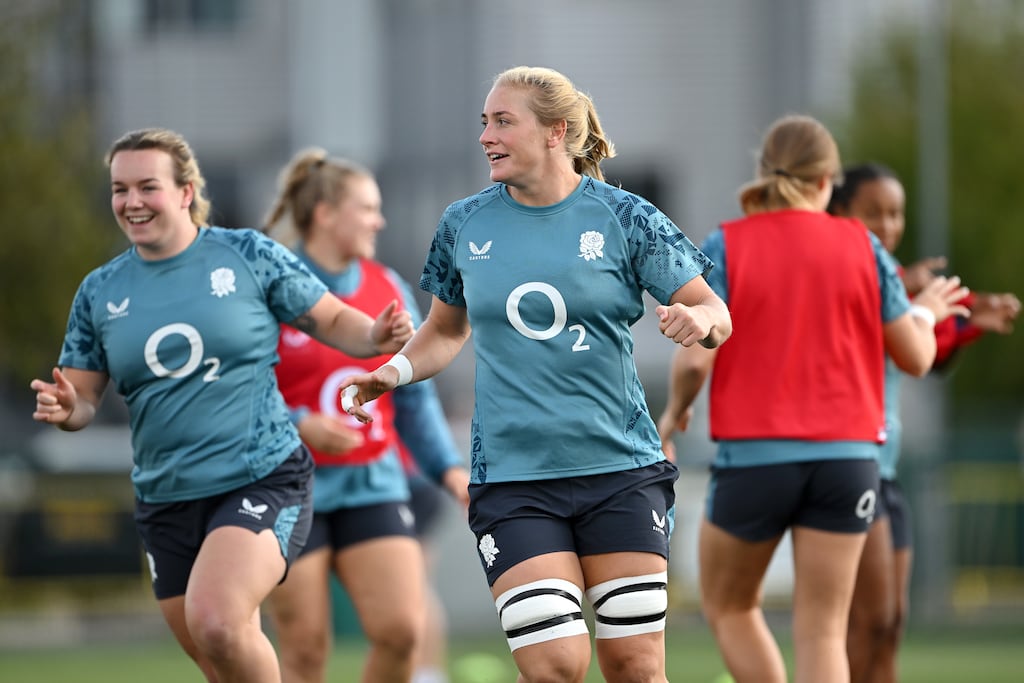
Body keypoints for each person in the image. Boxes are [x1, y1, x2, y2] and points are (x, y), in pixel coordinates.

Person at [339, 65, 732, 683]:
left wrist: (697, 320)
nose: (485, 135)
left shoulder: (625, 217)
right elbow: (445, 331)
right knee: (554, 663)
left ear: (556, 132)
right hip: (514, 481)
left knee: (634, 664)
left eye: (502, 121)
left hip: (621, 471)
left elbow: (716, 310)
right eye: (484, 122)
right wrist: (389, 373)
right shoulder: (463, 224)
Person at [29, 128, 413, 683]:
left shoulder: (247, 255)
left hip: (259, 478)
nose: (132, 202)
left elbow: (330, 319)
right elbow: (84, 395)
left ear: (186, 191)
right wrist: (71, 411)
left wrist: (375, 334)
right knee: (219, 661)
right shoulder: (99, 291)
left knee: (217, 622)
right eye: (120, 189)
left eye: (147, 186)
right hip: (166, 499)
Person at [655, 115, 971, 683]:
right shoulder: (863, 245)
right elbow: (917, 357)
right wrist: (927, 311)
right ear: (828, 179)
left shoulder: (728, 243)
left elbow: (697, 355)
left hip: (756, 460)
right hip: (850, 461)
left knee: (730, 607)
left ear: (765, 171)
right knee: (823, 629)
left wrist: (674, 415)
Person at [261, 149, 470, 683]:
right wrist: (298, 422)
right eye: (367, 208)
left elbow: (415, 397)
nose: (380, 220)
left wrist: (448, 470)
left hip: (373, 485)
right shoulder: (271, 284)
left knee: (403, 630)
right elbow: (239, 391)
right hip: (289, 489)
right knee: (305, 648)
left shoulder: (388, 286)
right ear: (326, 213)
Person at [828, 162, 1020, 683]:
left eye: (896, 213)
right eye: (875, 213)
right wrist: (918, 301)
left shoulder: (893, 287)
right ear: (840, 212)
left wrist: (969, 319)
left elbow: (919, 352)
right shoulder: (838, 278)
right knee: (855, 624)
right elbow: (864, 340)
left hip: (883, 474)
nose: (889, 225)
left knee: (890, 622)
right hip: (847, 467)